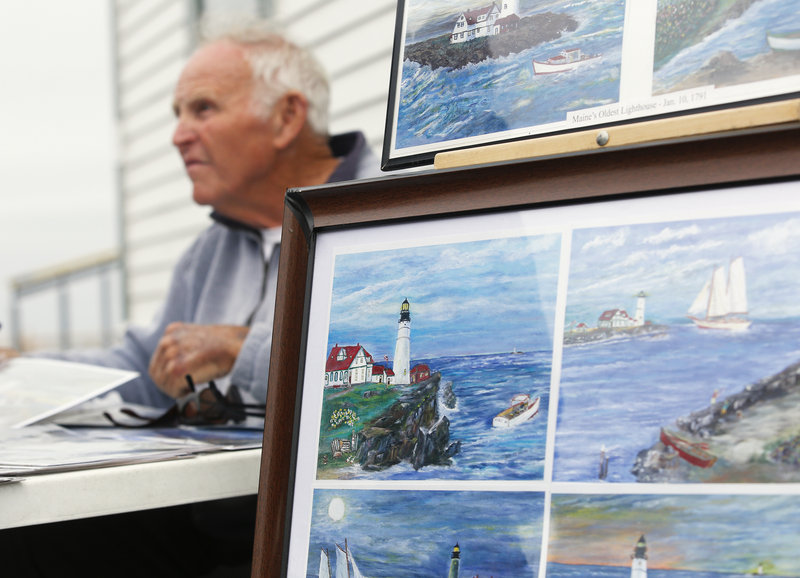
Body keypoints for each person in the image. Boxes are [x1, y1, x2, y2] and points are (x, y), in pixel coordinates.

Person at [0, 18, 381, 577]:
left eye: (202, 109)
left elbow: (385, 368)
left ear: (286, 117)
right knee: (22, 541)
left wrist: (244, 349)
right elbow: (138, 367)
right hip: (206, 516)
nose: (179, 134)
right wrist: (14, 372)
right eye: (177, 114)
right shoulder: (211, 249)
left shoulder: (386, 208)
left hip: (325, 526)